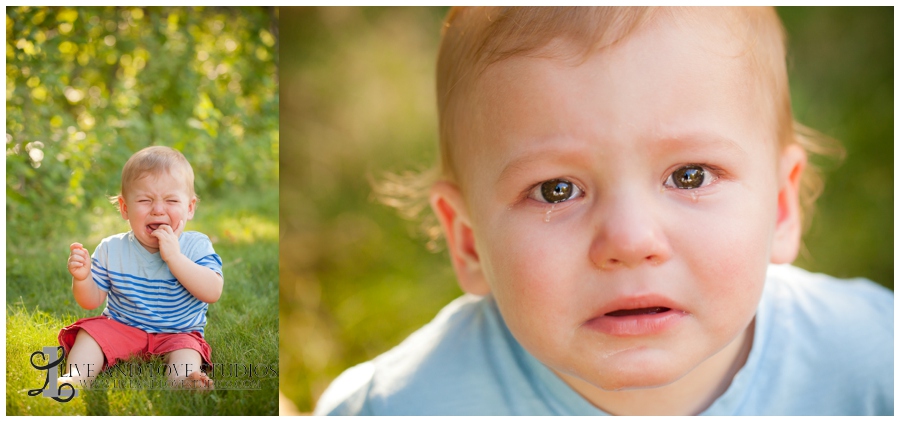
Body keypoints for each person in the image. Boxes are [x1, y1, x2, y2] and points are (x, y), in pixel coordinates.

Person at [313, 7, 893, 415]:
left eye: (689, 176)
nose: (630, 239)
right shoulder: (400, 407)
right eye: (556, 190)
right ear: (467, 241)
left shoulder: (874, 363)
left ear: (781, 207)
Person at [60, 145, 224, 390]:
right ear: (125, 208)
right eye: (145, 200)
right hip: (123, 326)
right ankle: (74, 378)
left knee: (186, 351)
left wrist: (175, 258)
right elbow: (91, 301)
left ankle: (184, 381)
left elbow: (212, 291)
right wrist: (83, 279)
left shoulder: (196, 245)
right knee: (91, 334)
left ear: (189, 207)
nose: (158, 209)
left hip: (178, 332)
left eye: (170, 200)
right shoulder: (111, 249)